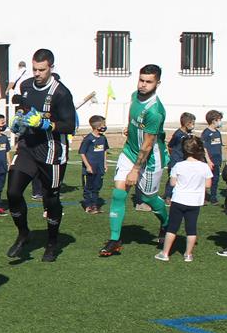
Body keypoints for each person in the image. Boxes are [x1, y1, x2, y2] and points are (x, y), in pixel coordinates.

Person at [5, 49, 76, 261]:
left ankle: (52, 243)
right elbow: (24, 107)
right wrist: (19, 118)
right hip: (28, 146)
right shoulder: (26, 85)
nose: (37, 73)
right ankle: (23, 233)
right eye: (35, 69)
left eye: (42, 70)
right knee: (13, 192)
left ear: (51, 68)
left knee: (50, 198)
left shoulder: (61, 93)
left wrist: (47, 123)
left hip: (51, 150)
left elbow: (70, 125)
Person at [100, 65, 169, 257]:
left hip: (150, 159)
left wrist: (135, 170)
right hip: (130, 151)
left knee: (148, 198)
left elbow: (147, 145)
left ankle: (166, 223)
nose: (143, 85)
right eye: (141, 80)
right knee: (119, 192)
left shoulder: (155, 111)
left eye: (149, 82)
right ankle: (115, 240)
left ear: (158, 83)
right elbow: (132, 114)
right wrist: (128, 127)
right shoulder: (134, 96)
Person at [157, 136, 212, 262]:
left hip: (179, 200)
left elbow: (172, 183)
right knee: (191, 228)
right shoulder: (204, 167)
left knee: (172, 227)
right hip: (195, 202)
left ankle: (165, 253)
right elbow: (208, 184)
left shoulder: (179, 165)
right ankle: (188, 254)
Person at [78, 115, 108, 213]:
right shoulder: (88, 139)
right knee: (88, 188)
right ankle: (88, 206)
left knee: (97, 187)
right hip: (90, 168)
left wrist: (105, 164)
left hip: (99, 168)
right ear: (97, 126)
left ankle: (95, 206)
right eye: (103, 124)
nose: (105, 126)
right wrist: (88, 166)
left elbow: (104, 151)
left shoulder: (103, 138)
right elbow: (82, 153)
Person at [164, 112, 196, 199]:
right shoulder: (178, 134)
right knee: (173, 177)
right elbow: (170, 146)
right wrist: (174, 156)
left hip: (185, 159)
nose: (193, 125)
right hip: (176, 159)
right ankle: (168, 196)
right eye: (192, 123)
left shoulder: (189, 134)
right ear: (187, 123)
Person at [202, 110, 224, 204]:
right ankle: (202, 197)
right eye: (219, 120)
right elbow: (204, 148)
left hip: (217, 160)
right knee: (205, 180)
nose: (220, 122)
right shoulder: (206, 133)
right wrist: (208, 160)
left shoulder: (218, 133)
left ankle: (213, 197)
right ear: (213, 120)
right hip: (209, 160)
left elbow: (219, 147)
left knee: (215, 179)